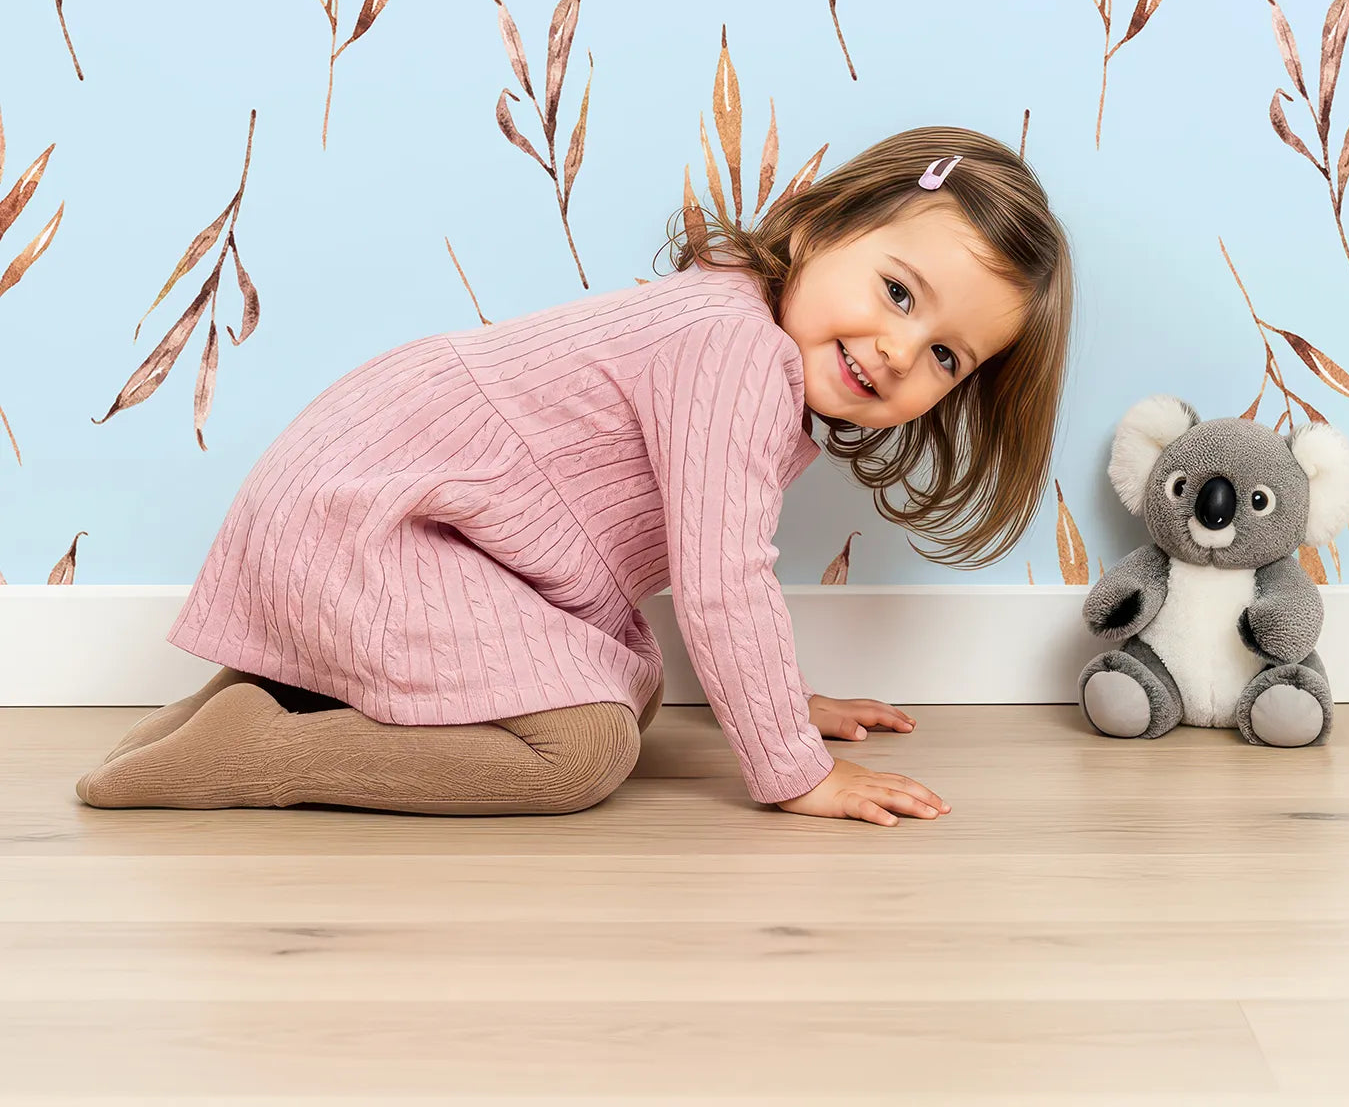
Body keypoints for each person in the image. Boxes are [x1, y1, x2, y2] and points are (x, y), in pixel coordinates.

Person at [75, 126, 1073, 826]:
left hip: (370, 515)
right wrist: (793, 767)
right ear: (815, 229)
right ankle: (263, 750)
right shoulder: (734, 350)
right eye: (897, 292)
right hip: (365, 523)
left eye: (946, 357)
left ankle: (270, 691)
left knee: (621, 688)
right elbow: (722, 578)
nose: (901, 350)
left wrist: (787, 694)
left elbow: (715, 574)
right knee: (583, 748)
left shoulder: (730, 327)